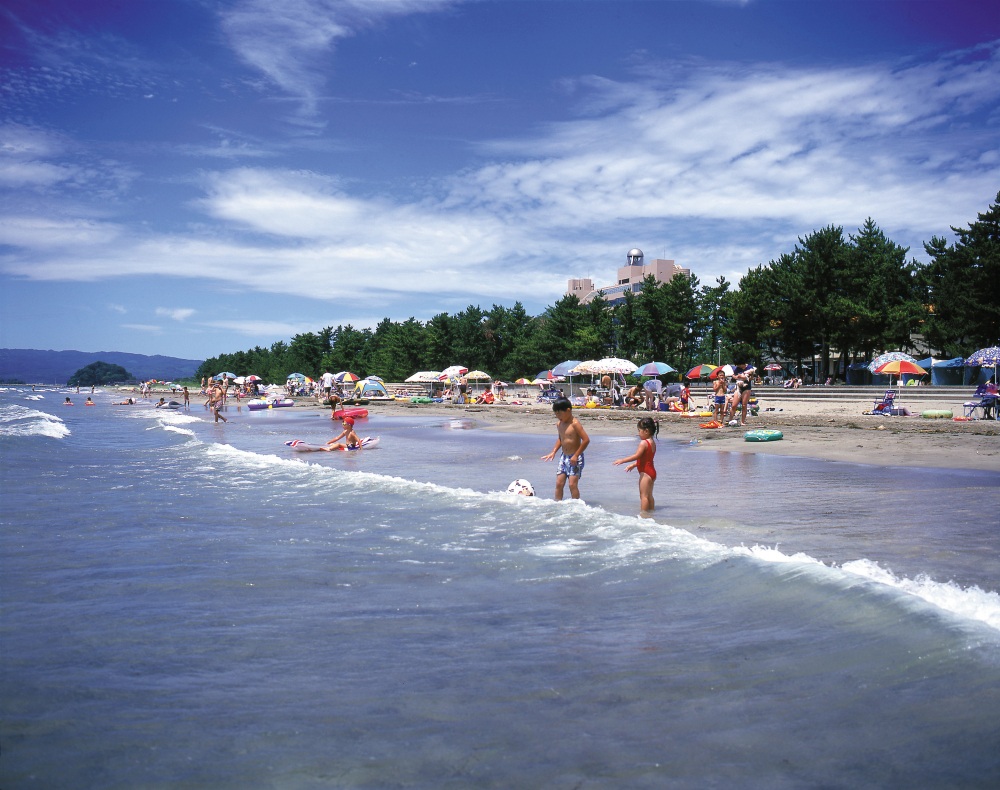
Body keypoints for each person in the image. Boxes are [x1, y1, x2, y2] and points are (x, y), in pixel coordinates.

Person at [541, 398, 590, 500]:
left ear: (568, 410)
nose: (558, 417)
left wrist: (576, 455)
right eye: (556, 414)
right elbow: (561, 438)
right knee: (559, 483)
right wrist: (553, 451)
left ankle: (576, 505)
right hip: (564, 457)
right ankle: (557, 504)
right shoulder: (559, 424)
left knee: (572, 484)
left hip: (575, 458)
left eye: (560, 414)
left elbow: (586, 440)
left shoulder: (575, 424)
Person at [613, 416, 658, 515]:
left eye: (639, 431)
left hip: (645, 473)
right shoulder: (652, 442)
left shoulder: (643, 443)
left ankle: (644, 516)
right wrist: (634, 465)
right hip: (652, 471)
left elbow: (637, 455)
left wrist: (622, 460)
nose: (638, 433)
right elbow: (646, 458)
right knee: (649, 495)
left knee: (643, 496)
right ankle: (652, 513)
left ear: (646, 431)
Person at [727, 359, 757, 426]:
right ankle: (730, 420)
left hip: (747, 387)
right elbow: (734, 376)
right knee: (734, 405)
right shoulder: (737, 369)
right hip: (738, 387)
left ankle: (742, 421)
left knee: (744, 405)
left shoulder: (749, 367)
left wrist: (744, 377)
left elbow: (751, 377)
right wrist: (736, 376)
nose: (738, 366)